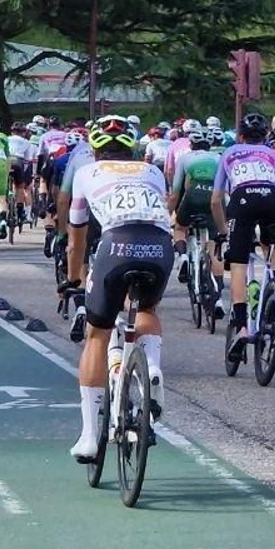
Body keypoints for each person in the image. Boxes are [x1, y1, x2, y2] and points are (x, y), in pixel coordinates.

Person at [64, 116, 173, 461]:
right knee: (145, 310)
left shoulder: (85, 172)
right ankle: (151, 367)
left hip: (117, 244)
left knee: (97, 334)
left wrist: (73, 280)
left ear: (95, 149)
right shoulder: (152, 172)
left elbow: (76, 238)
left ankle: (89, 437)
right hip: (159, 244)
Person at [210, 112, 275, 358]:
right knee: (270, 247)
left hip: (241, 200)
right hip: (270, 198)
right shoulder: (271, 154)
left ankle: (242, 325)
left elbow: (216, 199)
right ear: (265, 137)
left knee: (239, 263)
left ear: (240, 137)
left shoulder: (229, 153)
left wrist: (223, 232)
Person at [168, 122, 223, 311]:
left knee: (180, 228)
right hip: (213, 199)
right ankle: (218, 297)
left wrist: (169, 214)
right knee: (214, 247)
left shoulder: (185, 158)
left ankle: (183, 256)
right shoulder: (218, 158)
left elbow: (175, 192)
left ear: (190, 144)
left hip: (192, 195)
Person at [7, 121, 37, 224]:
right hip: (18, 162)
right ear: (24, 132)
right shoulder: (26, 142)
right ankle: (20, 211)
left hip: (7, 162)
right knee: (20, 186)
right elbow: (27, 160)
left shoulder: (6, 139)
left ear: (11, 132)